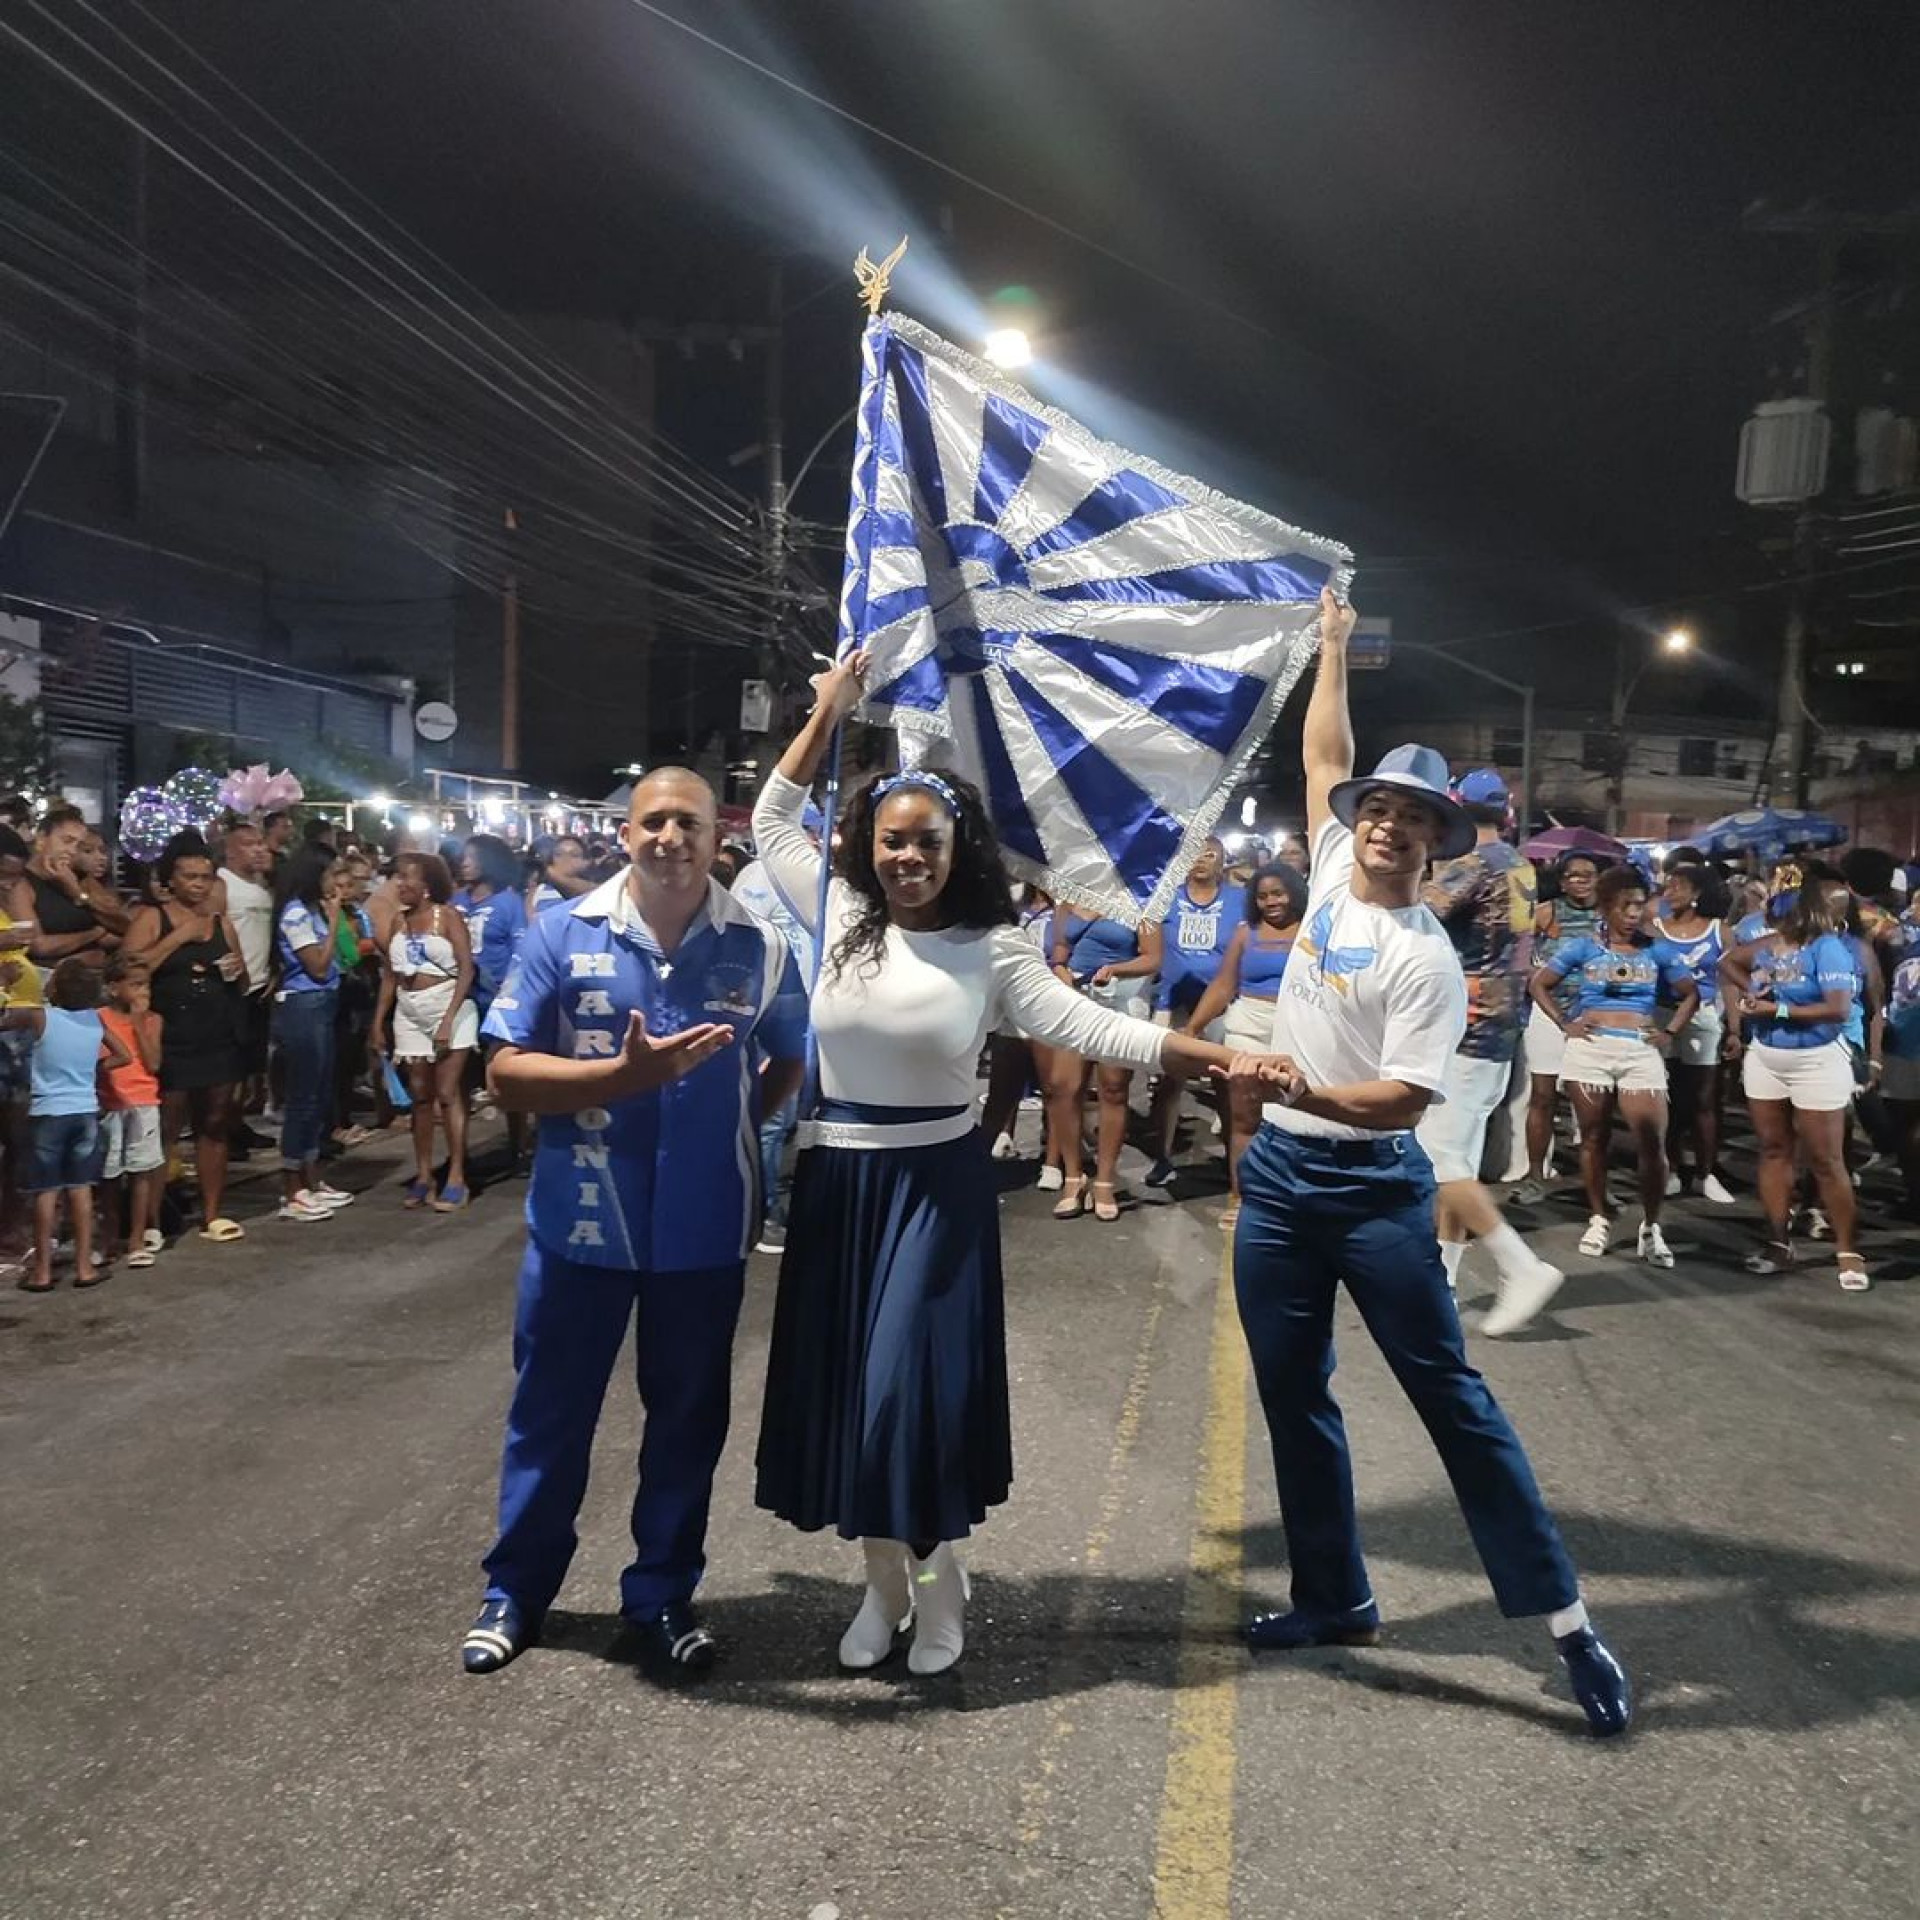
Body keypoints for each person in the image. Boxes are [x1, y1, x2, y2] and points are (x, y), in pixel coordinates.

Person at [750, 654, 1286, 1678]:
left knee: (904, 1396)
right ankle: (882, 1588)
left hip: (931, 1194)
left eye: (928, 842)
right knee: (848, 1398)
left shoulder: (990, 945)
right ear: (868, 842)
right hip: (838, 1186)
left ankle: (943, 1584)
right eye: (892, 839)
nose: (908, 856)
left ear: (960, 849)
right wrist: (828, 710)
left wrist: (1222, 1055)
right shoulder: (836, 912)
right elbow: (776, 816)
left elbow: (1093, 1025)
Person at [1225, 590, 1630, 1738]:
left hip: (1369, 1191)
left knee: (1450, 1399)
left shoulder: (1426, 960)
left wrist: (1297, 1088)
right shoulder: (1316, 881)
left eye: (1413, 819)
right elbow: (1323, 752)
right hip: (1280, 1191)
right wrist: (1336, 650)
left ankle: (1564, 1621)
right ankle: (1333, 1596)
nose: (1387, 826)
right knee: (1293, 1394)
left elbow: (1404, 1100)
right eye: (1378, 809)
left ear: (1440, 841)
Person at [462, 767, 807, 1677]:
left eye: (687, 822)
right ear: (626, 834)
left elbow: (786, 1062)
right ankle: (518, 1592)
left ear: (714, 838)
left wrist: (727, 1127)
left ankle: (661, 1593)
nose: (669, 837)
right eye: (652, 821)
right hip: (580, 1224)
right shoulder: (558, 932)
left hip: (706, 1229)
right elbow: (503, 1072)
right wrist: (621, 1082)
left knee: (687, 1418)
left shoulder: (760, 944)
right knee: (550, 1413)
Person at [1414, 769, 1565, 1336]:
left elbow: (1412, 917)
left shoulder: (1470, 865)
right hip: (1500, 1028)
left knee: (1440, 1160)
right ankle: (1441, 1287)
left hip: (1466, 1027)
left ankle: (1520, 1264)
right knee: (1456, 1161)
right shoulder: (1519, 863)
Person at [1528, 867, 1697, 1269]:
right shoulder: (1583, 947)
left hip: (1639, 1051)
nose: (1635, 914)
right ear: (1607, 907)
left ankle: (1652, 1226)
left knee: (1651, 1140)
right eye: (1627, 906)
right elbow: (1539, 983)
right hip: (1590, 1051)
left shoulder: (1657, 949)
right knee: (1593, 1139)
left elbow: (1690, 993)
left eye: (1640, 905)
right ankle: (1599, 1216)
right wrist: (1566, 1022)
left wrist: (1670, 1030)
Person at [1723, 883, 1870, 1288]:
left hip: (1817, 1058)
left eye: (1780, 916)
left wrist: (1778, 1007)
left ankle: (1848, 1251)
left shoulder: (1827, 948)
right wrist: (1753, 989)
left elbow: (1838, 1008)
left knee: (1826, 1159)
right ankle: (1778, 1242)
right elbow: (1728, 962)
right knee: (1773, 1150)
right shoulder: (1772, 944)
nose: (1773, 925)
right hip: (1768, 1056)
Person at [125, 836, 251, 1244]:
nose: (198, 884)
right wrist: (179, 937)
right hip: (171, 1038)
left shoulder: (221, 923)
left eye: (205, 877)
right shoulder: (151, 917)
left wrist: (235, 970)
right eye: (189, 876)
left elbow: (243, 982)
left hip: (216, 1033)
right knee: (165, 1128)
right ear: (171, 879)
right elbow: (129, 969)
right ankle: (152, 1221)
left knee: (214, 1123)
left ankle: (212, 1214)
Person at [1183, 862, 1306, 1228]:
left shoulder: (1314, 929)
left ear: (1294, 893)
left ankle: (1291, 1195)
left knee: (1299, 1116)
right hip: (1247, 1031)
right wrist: (1191, 1029)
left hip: (1297, 1031)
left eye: (1278, 894)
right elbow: (1223, 986)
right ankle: (1240, 1196)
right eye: (1263, 896)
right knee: (1244, 1118)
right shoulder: (1244, 932)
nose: (1271, 902)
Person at [5, 958, 130, 1292]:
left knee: (46, 1192)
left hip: (48, 1112)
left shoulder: (40, 1016)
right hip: (85, 1110)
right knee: (81, 1188)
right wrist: (94, 1067)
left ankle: (43, 1270)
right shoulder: (94, 1020)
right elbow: (124, 1056)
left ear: (56, 988)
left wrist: (4, 987)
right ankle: (85, 1266)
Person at [371, 852, 478, 1212]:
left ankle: (458, 1175)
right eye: (397, 878)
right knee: (419, 1096)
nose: (400, 884)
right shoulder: (397, 923)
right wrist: (378, 1021)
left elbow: (466, 969)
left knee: (447, 1094)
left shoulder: (447, 917)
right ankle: (423, 1174)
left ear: (427, 885)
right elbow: (390, 975)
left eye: (407, 878)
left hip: (448, 1003)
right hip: (409, 1009)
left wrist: (448, 1019)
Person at [1045, 905, 1164, 1221]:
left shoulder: (1140, 901)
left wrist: (1117, 970)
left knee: (1113, 1089)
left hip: (1116, 1002)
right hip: (1074, 1001)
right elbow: (1059, 949)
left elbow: (1152, 957)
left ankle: (1105, 1181)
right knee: (1063, 1087)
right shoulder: (1067, 902)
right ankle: (1073, 1178)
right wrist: (1060, 969)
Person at [1144, 837, 1243, 1188]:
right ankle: (1162, 1156)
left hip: (1221, 1004)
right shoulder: (1165, 897)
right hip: (1174, 1002)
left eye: (1209, 855)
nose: (1200, 861)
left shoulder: (1239, 900)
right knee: (1169, 1082)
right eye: (1193, 854)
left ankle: (1235, 1164)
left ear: (1222, 862)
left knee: (1225, 1083)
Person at [1513, 853, 1603, 1203]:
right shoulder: (1547, 912)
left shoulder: (1607, 915)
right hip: (1549, 1014)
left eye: (1588, 874)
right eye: (1573, 876)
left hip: (1594, 1018)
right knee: (1542, 1097)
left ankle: (1594, 1185)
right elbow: (1520, 951)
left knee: (1595, 1104)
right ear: (1562, 881)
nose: (1581, 881)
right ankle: (1536, 1176)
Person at [272, 846, 355, 1223]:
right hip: (303, 1005)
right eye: (330, 874)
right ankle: (292, 1187)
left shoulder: (311, 912)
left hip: (322, 1003)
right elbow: (319, 966)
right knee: (302, 1097)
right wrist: (335, 916)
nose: (336, 882)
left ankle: (311, 1176)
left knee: (320, 1093)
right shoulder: (295, 914)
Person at [1654, 864, 1735, 1204]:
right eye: (1667, 887)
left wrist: (1735, 1027)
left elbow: (1730, 981)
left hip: (1704, 1017)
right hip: (1662, 1014)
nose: (1669, 893)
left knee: (1705, 1099)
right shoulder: (1655, 929)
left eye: (1678, 887)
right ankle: (1672, 1168)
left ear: (1697, 894)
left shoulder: (1720, 931)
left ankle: (1706, 1172)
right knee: (1668, 1097)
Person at [97, 952, 166, 1267]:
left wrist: (139, 1024)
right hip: (110, 1102)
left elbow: (153, 1064)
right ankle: (109, 1238)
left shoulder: (153, 1020)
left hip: (143, 1102)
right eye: (135, 985)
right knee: (109, 1174)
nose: (143, 992)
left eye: (147, 985)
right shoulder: (99, 1019)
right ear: (114, 988)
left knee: (141, 1171)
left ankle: (137, 1238)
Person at [216, 821, 277, 1147]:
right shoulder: (221, 884)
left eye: (260, 844)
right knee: (231, 1067)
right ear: (230, 849)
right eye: (249, 844)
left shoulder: (262, 886)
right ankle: (224, 1130)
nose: (258, 850)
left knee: (250, 1066)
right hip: (232, 989)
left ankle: (237, 1125)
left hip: (259, 988)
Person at [12, 808, 127, 976]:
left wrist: (77, 893)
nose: (72, 851)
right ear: (42, 839)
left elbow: (124, 927)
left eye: (78, 845)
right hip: (48, 978)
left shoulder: (81, 880)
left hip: (93, 979)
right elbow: (37, 945)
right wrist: (93, 934)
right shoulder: (21, 882)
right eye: (67, 841)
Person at [526, 834, 593, 916]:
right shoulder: (542, 892)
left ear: (585, 862)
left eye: (574, 855)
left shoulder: (594, 891)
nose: (566, 859)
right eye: (559, 854)